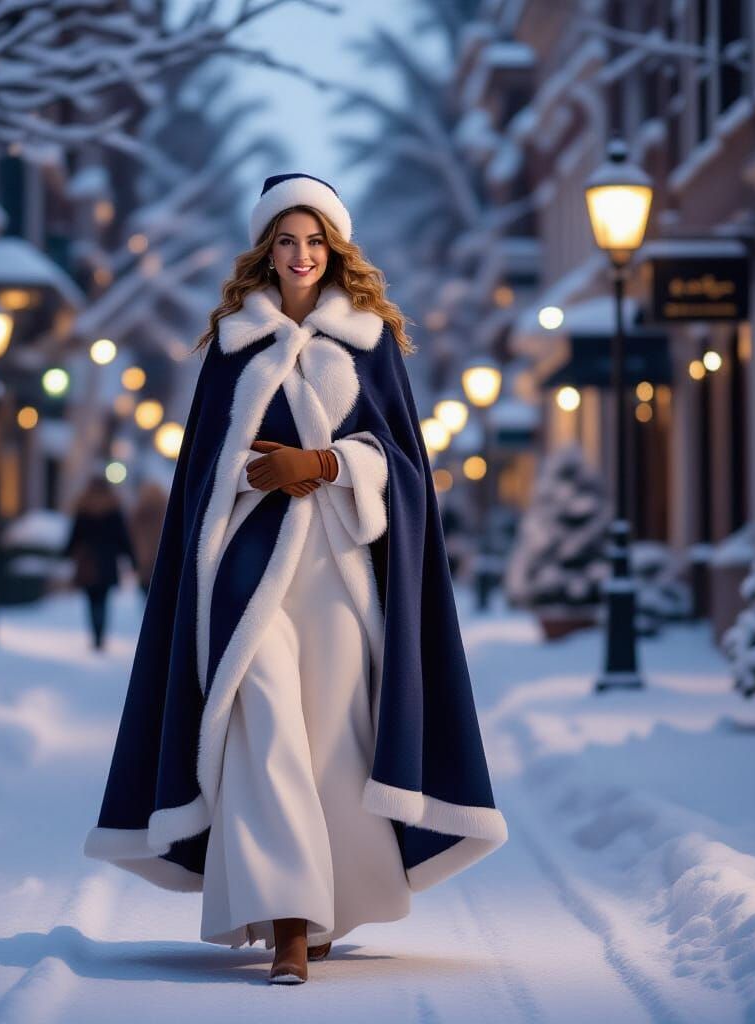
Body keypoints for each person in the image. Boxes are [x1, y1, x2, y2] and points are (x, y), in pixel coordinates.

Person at [83, 172, 508, 984]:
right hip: (249, 570)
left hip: (344, 569)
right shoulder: (231, 347)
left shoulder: (372, 341)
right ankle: (286, 919)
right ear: (265, 251)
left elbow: (408, 470)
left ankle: (325, 905)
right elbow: (200, 470)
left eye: (316, 241)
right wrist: (256, 473)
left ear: (335, 249)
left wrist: (332, 462)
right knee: (264, 720)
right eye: (287, 240)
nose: (303, 254)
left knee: (332, 739)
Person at [63, 474, 136, 650]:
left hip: (88, 562)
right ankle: (100, 635)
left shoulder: (83, 507)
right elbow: (122, 537)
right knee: (103, 600)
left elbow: (75, 535)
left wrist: (67, 553)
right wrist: (131, 558)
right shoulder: (113, 508)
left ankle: (95, 634)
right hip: (107, 562)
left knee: (91, 600)